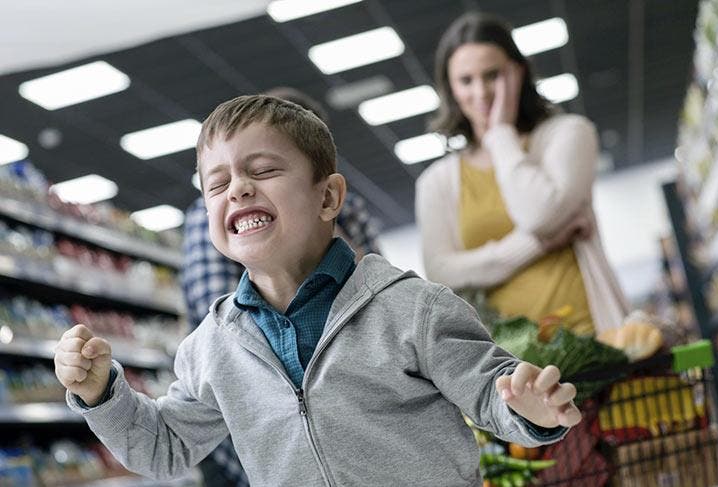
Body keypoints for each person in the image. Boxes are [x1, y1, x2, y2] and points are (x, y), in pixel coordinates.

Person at [54, 94, 581, 487]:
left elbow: (490, 389)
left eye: (262, 171)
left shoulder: (411, 308)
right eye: (216, 184)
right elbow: (164, 447)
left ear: (328, 197)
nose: (237, 187)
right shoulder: (211, 348)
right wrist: (102, 396)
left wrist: (527, 407)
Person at [179, 88, 380, 486]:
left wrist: (316, 224)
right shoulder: (214, 220)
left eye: (271, 169)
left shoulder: (349, 208)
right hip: (240, 445)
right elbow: (227, 326)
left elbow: (375, 289)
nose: (244, 186)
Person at [416, 12, 628, 335]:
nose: (482, 92)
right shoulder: (436, 182)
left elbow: (539, 214)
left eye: (492, 75)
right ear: (451, 89)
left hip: (590, 338)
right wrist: (538, 245)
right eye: (466, 80)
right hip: (505, 363)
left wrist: (500, 133)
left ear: (519, 71)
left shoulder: (568, 134)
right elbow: (441, 272)